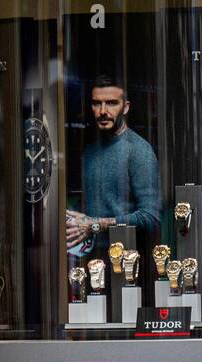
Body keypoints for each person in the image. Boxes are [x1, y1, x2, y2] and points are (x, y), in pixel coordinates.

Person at [66, 73, 161, 259]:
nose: (102, 111)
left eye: (111, 103)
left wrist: (96, 224)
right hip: (90, 259)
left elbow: (151, 218)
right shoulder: (90, 150)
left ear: (125, 107)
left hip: (128, 260)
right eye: (96, 103)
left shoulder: (138, 151)